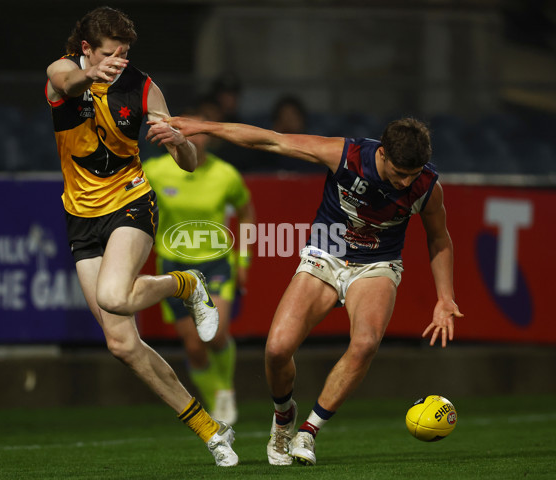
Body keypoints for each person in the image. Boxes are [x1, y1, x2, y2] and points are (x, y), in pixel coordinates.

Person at [154, 115, 464, 466]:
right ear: (382, 155)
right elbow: (271, 140)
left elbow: (439, 238)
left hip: (377, 265)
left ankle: (308, 432)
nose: (405, 181)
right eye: (399, 172)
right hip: (326, 255)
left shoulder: (425, 186)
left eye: (413, 173)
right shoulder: (346, 156)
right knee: (276, 349)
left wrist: (445, 297)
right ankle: (284, 418)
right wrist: (206, 127)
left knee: (365, 344)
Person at [44, 6, 238, 467]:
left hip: (131, 201)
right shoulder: (63, 72)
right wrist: (91, 73)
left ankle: (187, 284)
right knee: (121, 345)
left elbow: (189, 161)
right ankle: (210, 430)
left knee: (114, 296)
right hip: (80, 215)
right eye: (111, 54)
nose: (120, 63)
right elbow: (69, 83)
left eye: (125, 54)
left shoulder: (144, 87)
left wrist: (177, 141)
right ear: (86, 49)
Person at [143, 111, 256, 425]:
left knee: (215, 334)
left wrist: (244, 258)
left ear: (208, 136)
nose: (193, 137)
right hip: (174, 264)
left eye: (198, 132)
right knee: (193, 346)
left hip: (216, 261)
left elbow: (247, 213)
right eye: (183, 130)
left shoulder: (226, 174)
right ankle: (217, 395)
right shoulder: (155, 171)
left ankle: (225, 393)